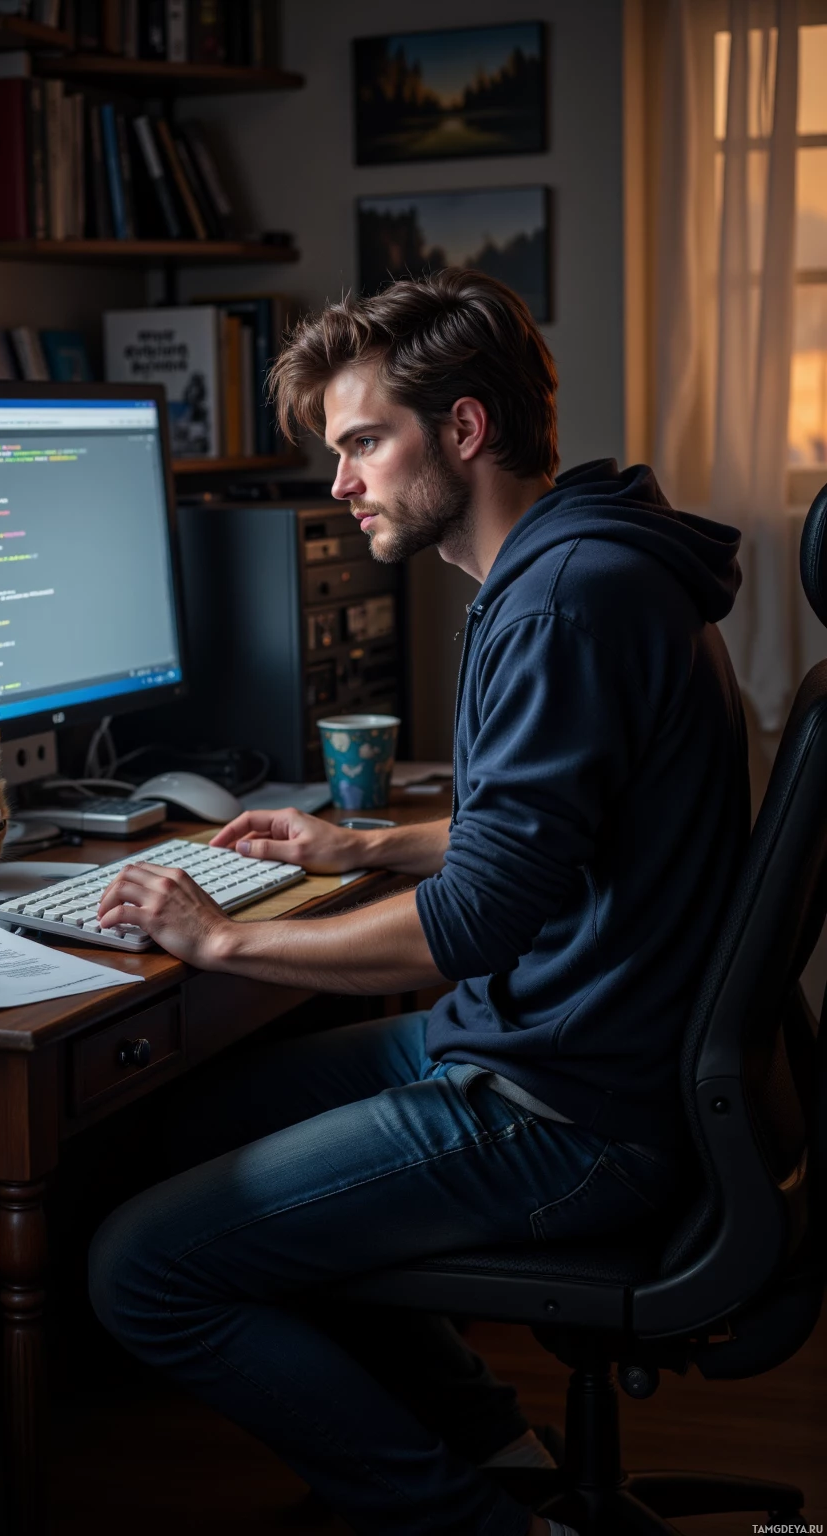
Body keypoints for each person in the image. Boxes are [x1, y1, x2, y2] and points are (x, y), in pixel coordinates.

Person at [87, 269, 750, 1536]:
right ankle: (486, 1444)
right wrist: (369, 846)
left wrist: (219, 936)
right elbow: (548, 835)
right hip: (561, 1043)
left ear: (461, 431)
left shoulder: (560, 600)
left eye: (361, 443)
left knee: (139, 1271)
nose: (341, 486)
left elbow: (480, 923)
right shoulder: (578, 556)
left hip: (568, 1104)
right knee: (186, 1131)